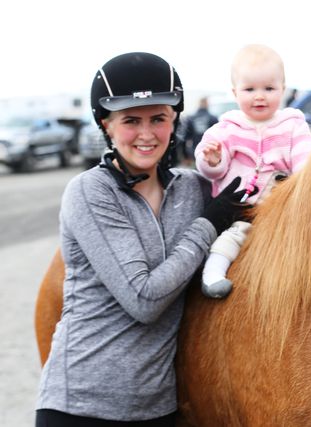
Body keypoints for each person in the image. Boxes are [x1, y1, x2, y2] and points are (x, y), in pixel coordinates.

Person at [35, 52, 249, 426]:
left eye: (159, 119)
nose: (147, 134)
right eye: (131, 121)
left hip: (158, 409)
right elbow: (144, 298)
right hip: (81, 408)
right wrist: (207, 226)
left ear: (174, 121)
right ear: (107, 125)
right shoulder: (89, 193)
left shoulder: (193, 188)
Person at [196, 44, 311, 298]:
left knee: (293, 243)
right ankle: (212, 274)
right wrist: (213, 160)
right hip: (240, 207)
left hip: (280, 209)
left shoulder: (292, 125)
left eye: (269, 89)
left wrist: (303, 186)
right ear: (234, 92)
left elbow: (305, 162)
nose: (259, 96)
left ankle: (294, 284)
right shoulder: (226, 129)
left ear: (283, 90)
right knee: (227, 241)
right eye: (250, 89)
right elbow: (212, 172)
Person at [181, 96, 218, 165]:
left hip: (194, 151)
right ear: (207, 104)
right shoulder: (213, 118)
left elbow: (185, 138)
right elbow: (218, 137)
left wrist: (185, 156)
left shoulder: (190, 118)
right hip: (210, 151)